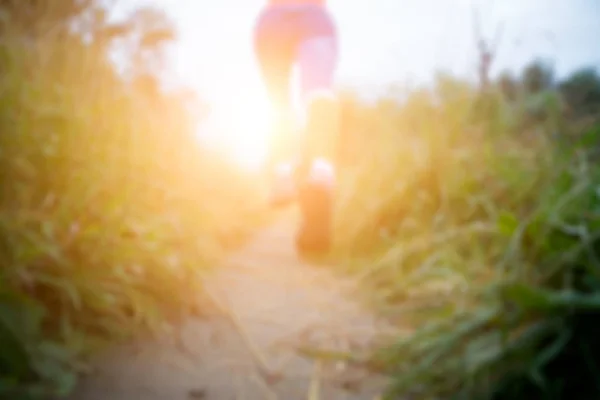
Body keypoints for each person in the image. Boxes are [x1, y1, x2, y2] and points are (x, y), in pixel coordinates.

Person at [253, 0, 340, 205]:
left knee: (281, 98)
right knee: (317, 93)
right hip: (310, 19)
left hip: (278, 20)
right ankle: (320, 170)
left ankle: (285, 174)